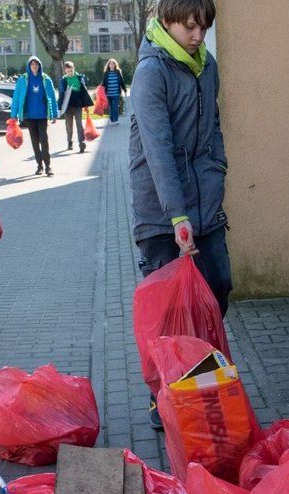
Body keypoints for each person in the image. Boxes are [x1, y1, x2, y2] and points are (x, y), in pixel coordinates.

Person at [129, 0, 229, 429]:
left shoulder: (207, 67)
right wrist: (176, 216)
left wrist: (218, 170)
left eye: (203, 28)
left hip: (205, 203)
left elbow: (215, 129)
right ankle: (163, 395)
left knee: (218, 289)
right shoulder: (151, 72)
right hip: (160, 209)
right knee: (168, 315)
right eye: (189, 27)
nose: (196, 35)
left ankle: (197, 379)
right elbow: (158, 149)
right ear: (166, 21)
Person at [11, 55, 58, 176]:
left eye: (36, 64)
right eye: (32, 64)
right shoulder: (23, 80)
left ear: (39, 66)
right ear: (29, 66)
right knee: (35, 141)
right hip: (30, 116)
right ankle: (39, 166)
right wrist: (13, 115)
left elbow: (52, 97)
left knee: (44, 139)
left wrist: (54, 114)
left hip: (42, 115)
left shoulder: (45, 79)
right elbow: (16, 97)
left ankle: (48, 166)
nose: (34, 66)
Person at [58, 60, 94, 153]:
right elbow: (61, 94)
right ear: (65, 71)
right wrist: (59, 107)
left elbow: (83, 92)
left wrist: (85, 105)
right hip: (68, 106)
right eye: (68, 71)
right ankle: (69, 141)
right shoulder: (64, 80)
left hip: (78, 105)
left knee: (79, 124)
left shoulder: (79, 78)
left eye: (71, 70)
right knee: (69, 126)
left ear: (74, 69)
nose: (70, 72)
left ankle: (81, 142)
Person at [100, 58, 127, 125]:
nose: (111, 65)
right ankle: (112, 120)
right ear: (108, 65)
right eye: (110, 64)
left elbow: (121, 82)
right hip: (108, 94)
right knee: (111, 108)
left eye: (113, 64)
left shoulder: (118, 72)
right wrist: (100, 90)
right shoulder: (106, 73)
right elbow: (104, 83)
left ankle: (116, 120)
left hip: (116, 93)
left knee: (115, 107)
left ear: (115, 65)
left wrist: (125, 89)